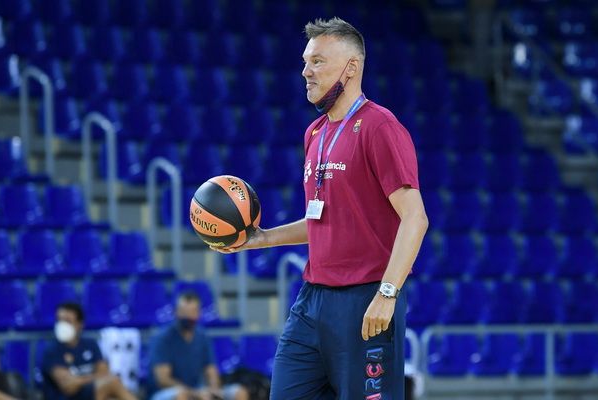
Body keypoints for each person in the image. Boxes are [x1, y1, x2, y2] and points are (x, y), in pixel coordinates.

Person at [212, 17, 429, 400]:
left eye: (317, 62)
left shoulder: (379, 127)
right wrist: (260, 239)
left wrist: (387, 294)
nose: (306, 72)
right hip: (312, 299)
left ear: (351, 67)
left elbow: (415, 218)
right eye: (305, 62)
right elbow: (323, 219)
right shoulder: (315, 134)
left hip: (365, 297)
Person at [148, 292, 249, 400]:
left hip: (197, 389)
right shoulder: (163, 338)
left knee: (239, 392)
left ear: (198, 313)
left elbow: (211, 370)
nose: (188, 317)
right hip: (165, 393)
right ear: (176, 312)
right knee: (181, 395)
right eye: (184, 312)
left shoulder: (202, 336)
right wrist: (194, 393)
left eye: (192, 312)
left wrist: (214, 390)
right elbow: (163, 380)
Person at [41, 302, 137, 400]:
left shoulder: (90, 344)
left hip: (91, 394)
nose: (62, 325)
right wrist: (94, 377)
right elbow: (68, 387)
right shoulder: (52, 351)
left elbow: (104, 373)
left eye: (67, 321)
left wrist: (78, 380)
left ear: (80, 324)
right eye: (59, 320)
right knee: (112, 382)